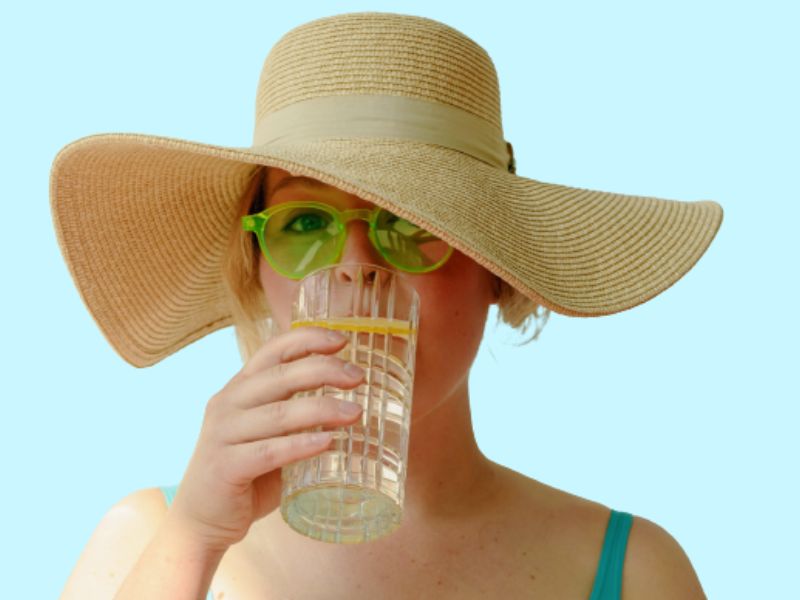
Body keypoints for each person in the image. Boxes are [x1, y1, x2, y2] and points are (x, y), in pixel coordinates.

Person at [52, 11, 721, 600]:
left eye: (408, 223)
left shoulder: (635, 572)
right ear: (256, 267)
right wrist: (194, 541)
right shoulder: (145, 542)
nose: (352, 271)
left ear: (496, 269)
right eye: (305, 223)